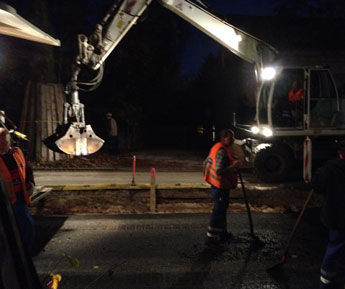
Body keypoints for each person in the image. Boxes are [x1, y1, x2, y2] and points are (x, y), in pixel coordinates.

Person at [311, 142, 345, 289]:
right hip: (338, 216)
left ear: (340, 153)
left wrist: (319, 173)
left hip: (337, 216)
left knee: (334, 248)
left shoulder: (330, 168)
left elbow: (317, 186)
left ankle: (325, 283)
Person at [203, 128, 240, 247]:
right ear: (223, 138)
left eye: (233, 137)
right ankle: (210, 238)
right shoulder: (221, 151)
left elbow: (206, 163)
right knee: (218, 211)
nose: (232, 139)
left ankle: (223, 233)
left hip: (219, 185)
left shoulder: (217, 147)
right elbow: (219, 170)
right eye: (229, 137)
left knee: (222, 210)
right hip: (220, 186)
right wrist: (233, 167)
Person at [0, 128, 35, 250]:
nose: (1, 146)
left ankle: (24, 255)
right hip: (3, 202)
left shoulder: (17, 153)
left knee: (27, 228)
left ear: (9, 142)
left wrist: (31, 183)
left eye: (3, 142)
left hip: (19, 199)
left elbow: (28, 169)